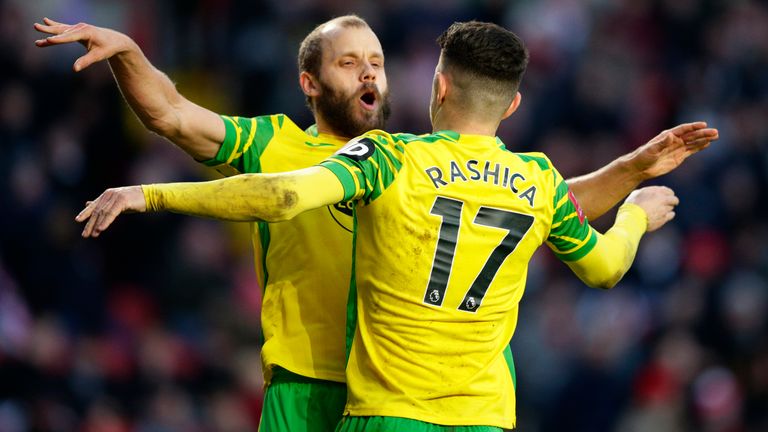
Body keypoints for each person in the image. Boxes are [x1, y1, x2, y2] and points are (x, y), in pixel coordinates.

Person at [38, 16, 717, 431]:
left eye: (378, 61)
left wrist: (626, 172)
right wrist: (130, 54)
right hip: (313, 389)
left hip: (392, 397)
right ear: (309, 82)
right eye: (347, 61)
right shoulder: (275, 145)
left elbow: (536, 206)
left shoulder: (401, 161)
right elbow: (172, 115)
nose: (369, 71)